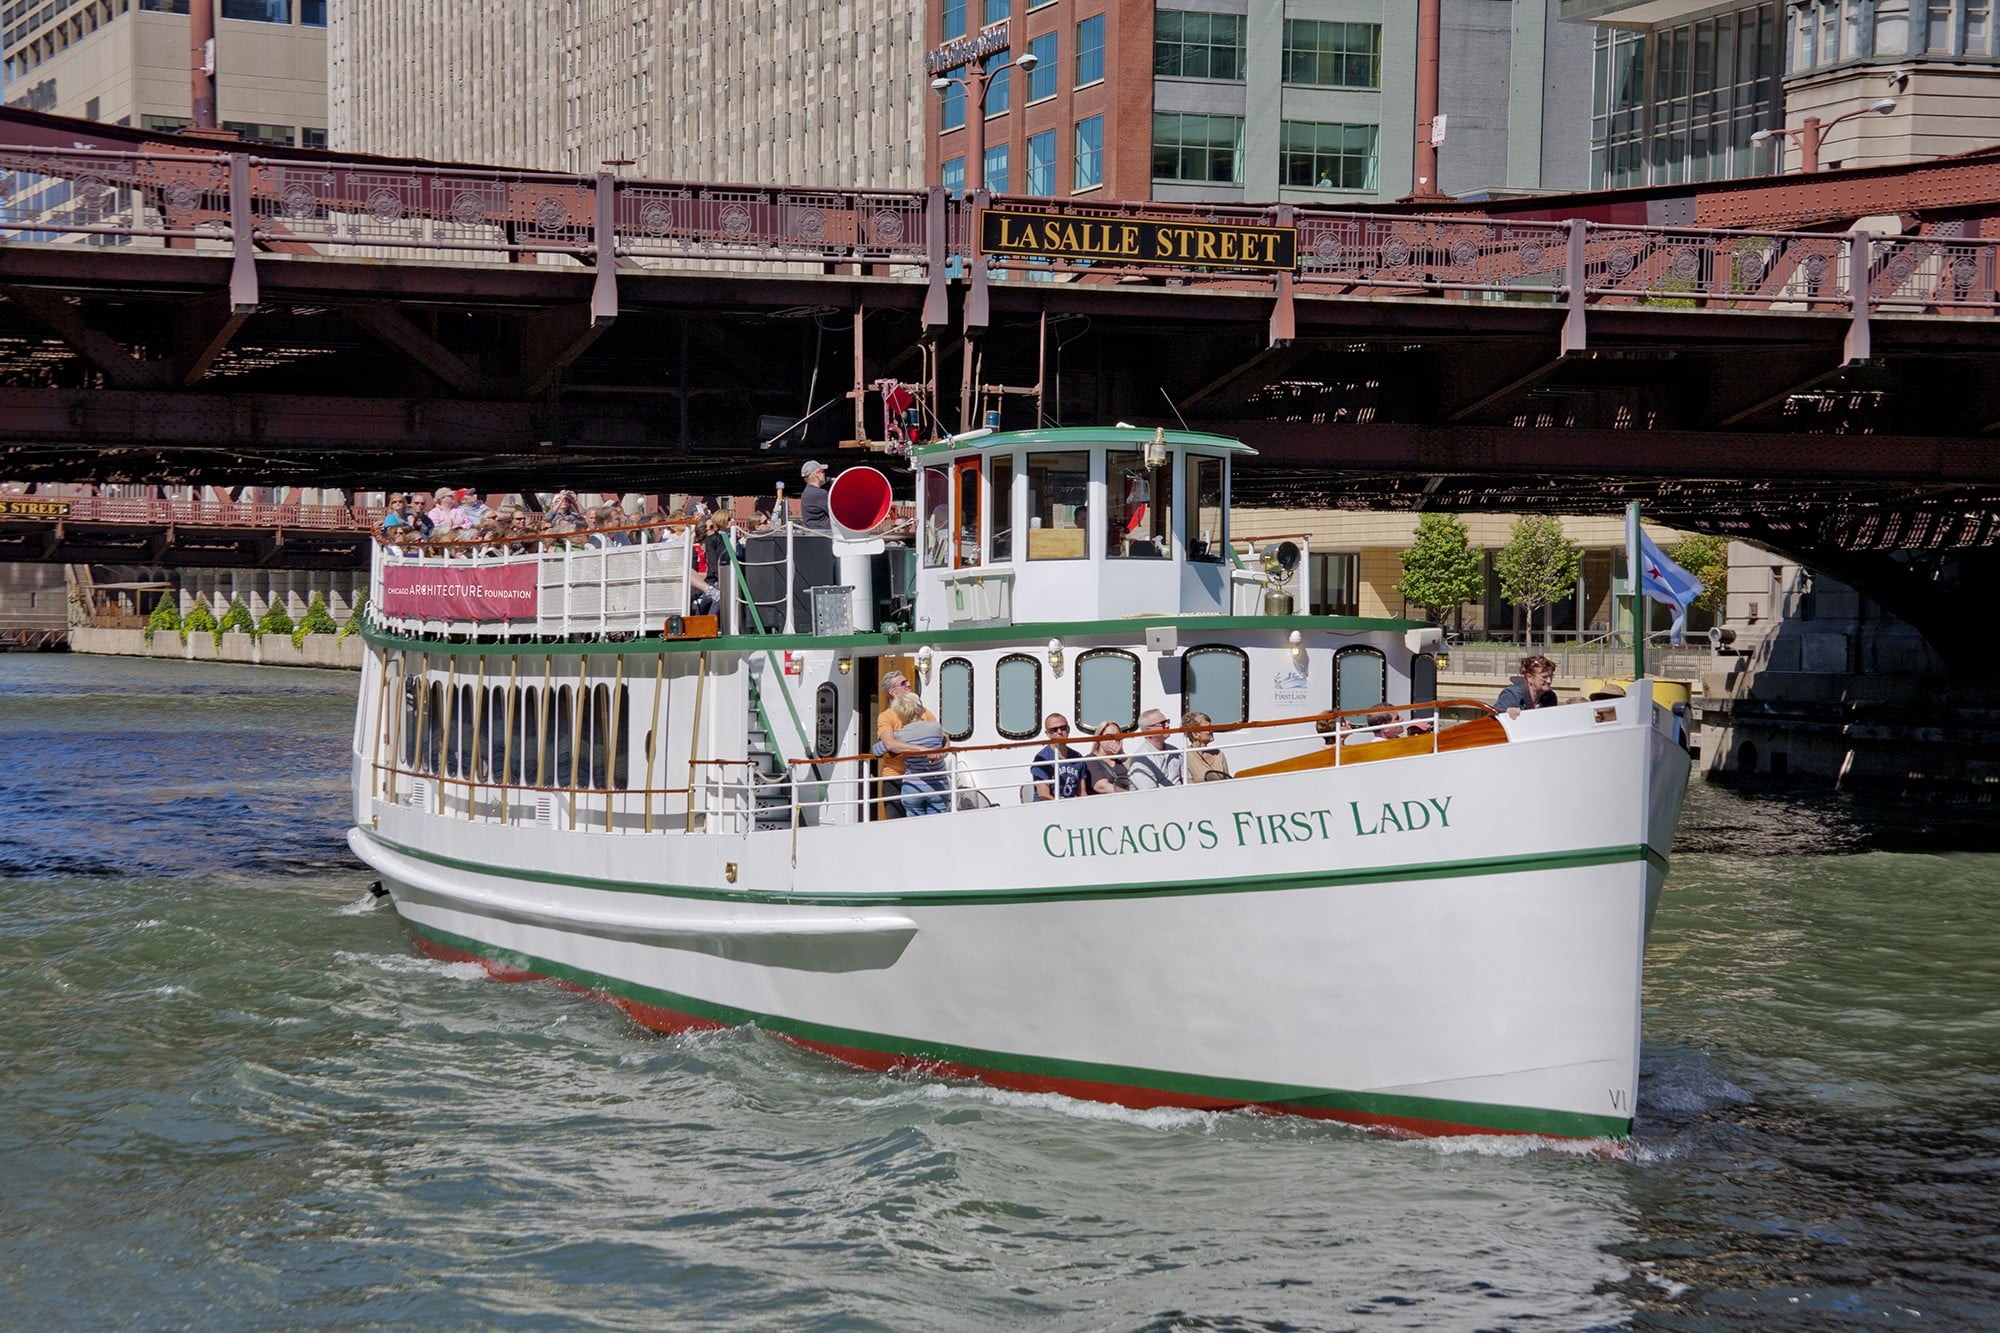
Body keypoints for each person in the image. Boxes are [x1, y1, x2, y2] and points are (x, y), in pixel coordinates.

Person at [873, 670, 933, 818]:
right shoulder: (886, 716)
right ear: (892, 691)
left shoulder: (924, 712)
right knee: (896, 824)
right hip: (895, 778)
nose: (909, 684)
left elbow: (941, 735)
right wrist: (921, 749)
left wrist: (942, 751)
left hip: (921, 777)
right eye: (903, 683)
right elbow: (889, 743)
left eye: (907, 681)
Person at [886, 690, 949, 816]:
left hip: (912, 787)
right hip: (938, 785)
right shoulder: (935, 727)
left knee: (914, 826)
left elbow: (878, 749)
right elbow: (945, 740)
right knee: (937, 824)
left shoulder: (899, 735)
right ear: (918, 709)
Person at [1028, 714, 1085, 801]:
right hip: (1047, 809)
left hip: (1071, 807)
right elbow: (1044, 796)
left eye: (1063, 728)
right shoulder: (1041, 759)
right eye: (1053, 730)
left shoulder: (1077, 757)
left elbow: (1082, 793)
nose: (1059, 732)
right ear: (1047, 734)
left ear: (1068, 730)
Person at [1126, 709, 1183, 789]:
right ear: (1148, 731)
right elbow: (1151, 794)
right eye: (1162, 724)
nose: (1167, 725)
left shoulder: (1175, 751)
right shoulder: (1140, 760)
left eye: (1167, 721)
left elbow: (1188, 780)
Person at [1498, 655, 1559, 719]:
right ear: (1529, 677)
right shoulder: (1512, 695)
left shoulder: (1550, 697)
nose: (1549, 681)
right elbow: (1493, 718)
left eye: (1551, 676)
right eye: (1544, 677)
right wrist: (1505, 712)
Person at [1083, 722, 1134, 795]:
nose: (1114, 740)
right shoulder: (1091, 760)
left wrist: (1121, 754)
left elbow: (1135, 771)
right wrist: (1129, 794)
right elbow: (1101, 786)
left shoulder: (1121, 758)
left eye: (1117, 736)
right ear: (1099, 738)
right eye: (1109, 736)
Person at [1184, 711, 1231, 782]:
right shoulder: (1186, 756)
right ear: (1195, 734)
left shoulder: (1218, 753)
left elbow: (1227, 779)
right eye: (1208, 728)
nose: (1211, 730)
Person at [800, 461, 832, 530]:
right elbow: (835, 513)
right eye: (822, 471)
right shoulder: (820, 494)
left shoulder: (808, 491)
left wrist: (829, 480)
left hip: (812, 530)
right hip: (823, 533)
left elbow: (826, 480)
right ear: (816, 475)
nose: (824, 473)